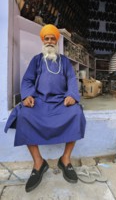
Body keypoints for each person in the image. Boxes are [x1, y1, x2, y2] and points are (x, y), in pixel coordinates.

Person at [4, 24, 86, 192]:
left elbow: (71, 80)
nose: (49, 41)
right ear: (43, 41)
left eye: (52, 38)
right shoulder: (36, 60)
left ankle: (65, 160)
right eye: (46, 38)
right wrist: (27, 97)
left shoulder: (64, 61)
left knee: (77, 112)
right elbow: (27, 80)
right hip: (40, 101)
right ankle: (39, 163)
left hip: (60, 102)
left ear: (57, 41)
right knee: (24, 114)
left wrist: (71, 95)